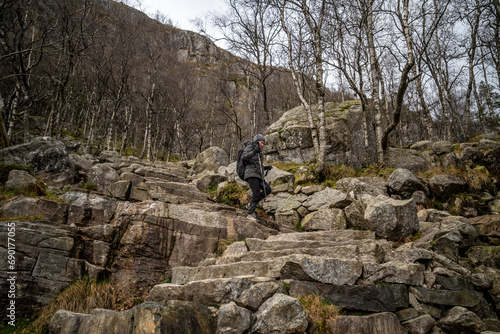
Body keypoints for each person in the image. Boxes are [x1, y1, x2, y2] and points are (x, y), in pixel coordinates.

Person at [241, 134, 272, 220]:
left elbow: (256, 163)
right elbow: (244, 157)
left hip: (258, 175)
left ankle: (251, 204)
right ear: (257, 141)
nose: (262, 145)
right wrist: (254, 151)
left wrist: (265, 167)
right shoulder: (250, 146)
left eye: (263, 143)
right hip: (251, 174)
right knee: (257, 193)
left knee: (267, 190)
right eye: (262, 142)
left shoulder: (259, 150)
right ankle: (250, 214)